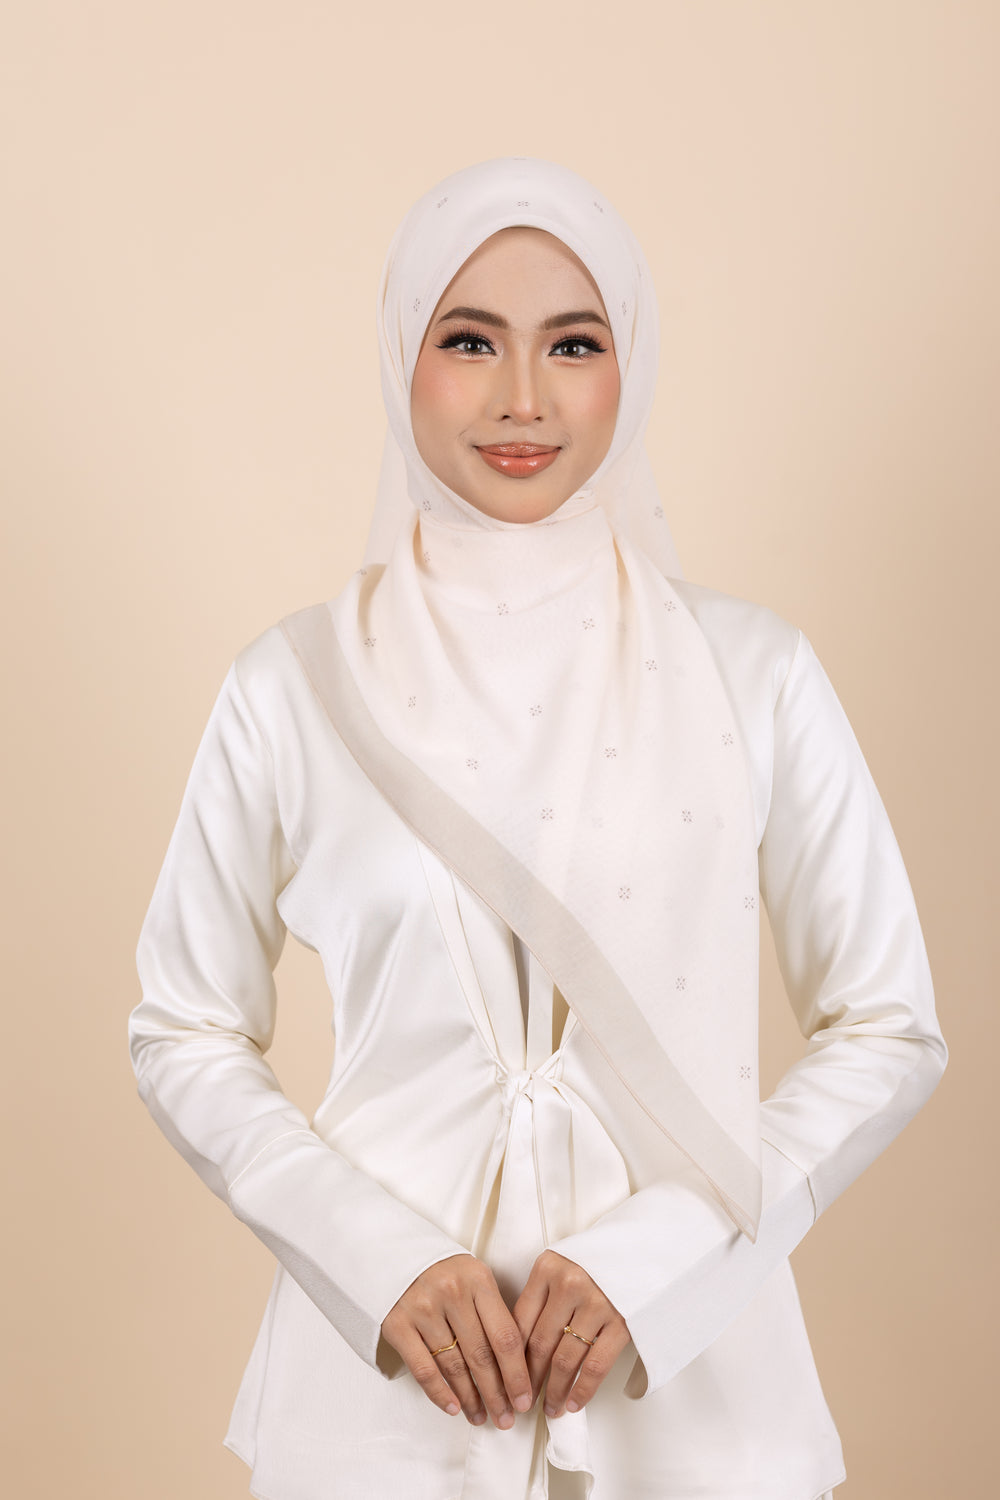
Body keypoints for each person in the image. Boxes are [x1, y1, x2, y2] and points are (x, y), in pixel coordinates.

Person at [128, 157, 947, 1500]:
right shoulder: (296, 686)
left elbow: (890, 1025)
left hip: (699, 1388)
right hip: (384, 1409)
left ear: (633, 366)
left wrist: (664, 1257)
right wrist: (374, 1260)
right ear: (402, 356)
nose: (523, 398)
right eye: (468, 341)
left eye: (574, 343)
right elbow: (182, 1027)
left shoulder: (753, 675)